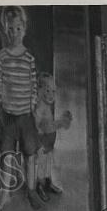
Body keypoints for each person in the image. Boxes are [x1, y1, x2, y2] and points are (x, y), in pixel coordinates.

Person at [0, 5, 42, 209]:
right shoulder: (3, 56)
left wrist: (32, 105)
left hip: (25, 116)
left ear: (25, 29)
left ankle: (30, 190)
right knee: (7, 155)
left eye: (18, 29)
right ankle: (5, 193)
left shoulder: (29, 58)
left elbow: (33, 85)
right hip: (8, 116)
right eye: (10, 29)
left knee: (30, 154)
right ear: (6, 30)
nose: (14, 33)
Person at [32, 71, 72, 201]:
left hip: (48, 142)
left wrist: (60, 122)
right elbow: (44, 126)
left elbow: (49, 125)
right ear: (39, 90)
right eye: (47, 91)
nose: (51, 95)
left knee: (48, 162)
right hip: (41, 141)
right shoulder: (40, 108)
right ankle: (40, 186)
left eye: (53, 91)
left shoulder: (47, 106)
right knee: (42, 164)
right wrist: (61, 123)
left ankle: (48, 183)